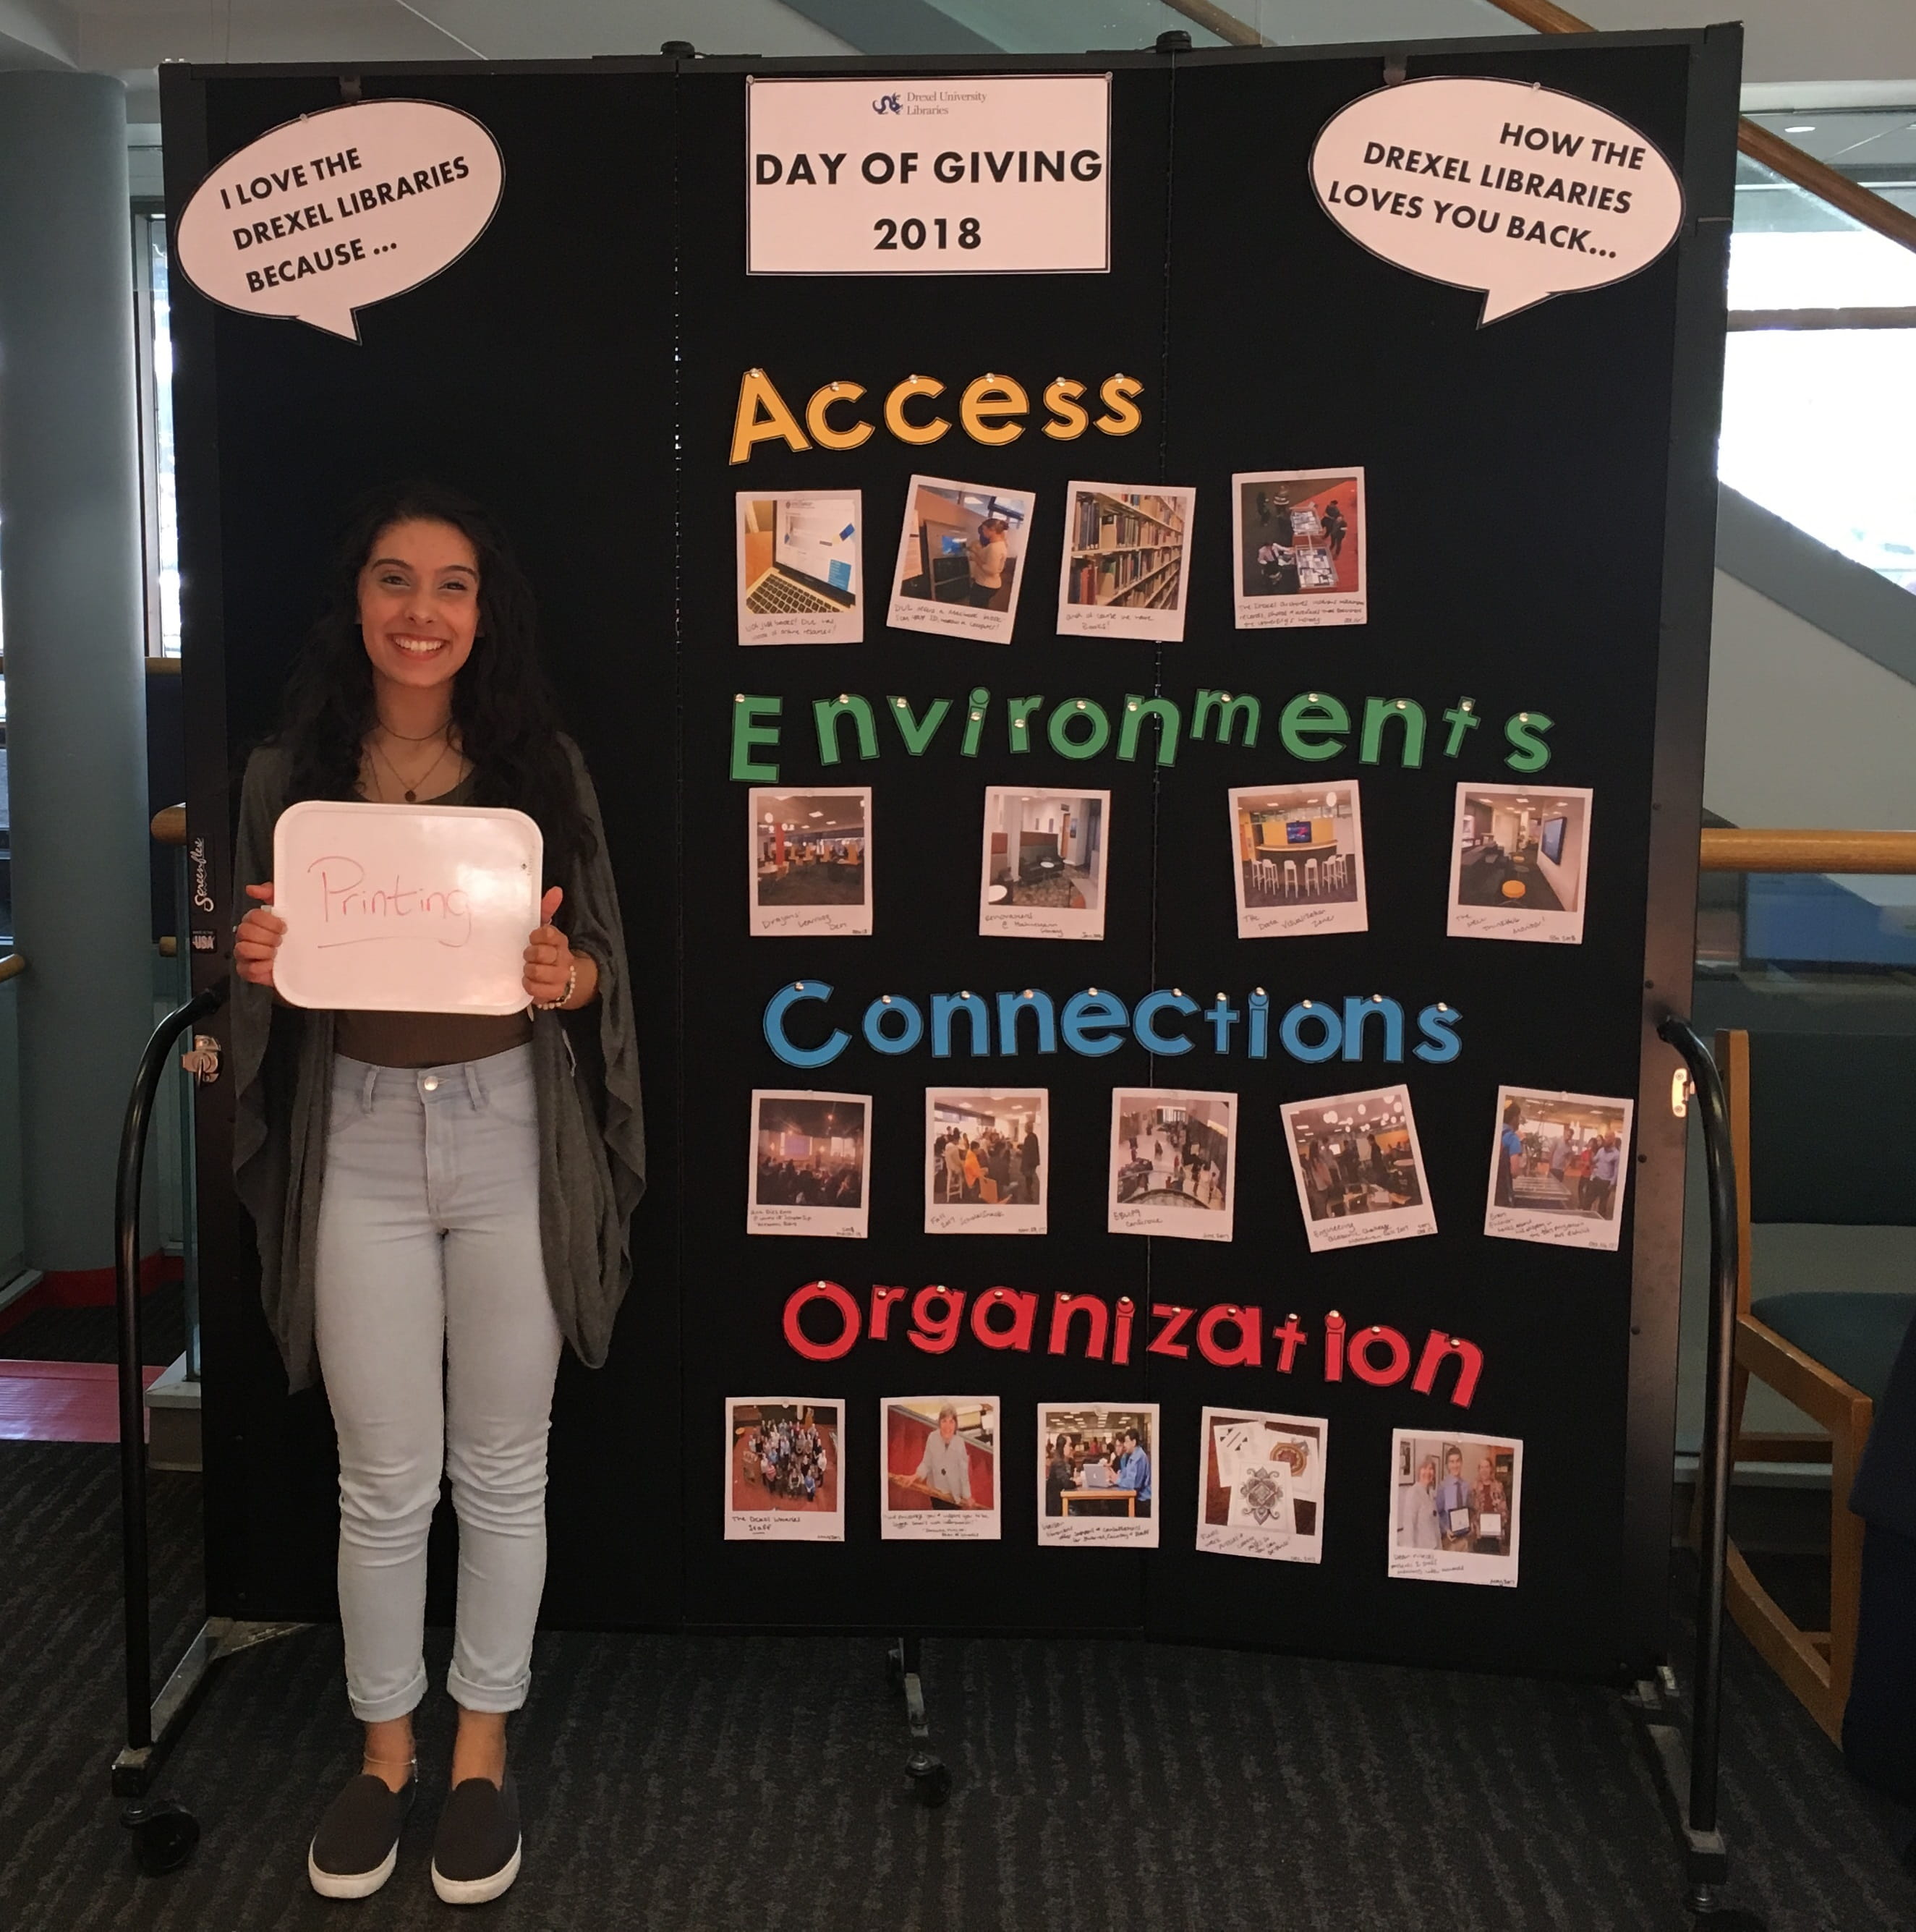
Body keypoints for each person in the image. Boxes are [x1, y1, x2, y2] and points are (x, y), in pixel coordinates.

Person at [230, 481, 644, 1906]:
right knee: (384, 1477)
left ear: (484, 611)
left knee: (504, 1465)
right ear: (355, 600)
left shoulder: (541, 774)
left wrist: (566, 976)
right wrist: (254, 962)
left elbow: (600, 968)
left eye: (451, 584)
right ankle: (382, 1750)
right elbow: (262, 987)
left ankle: (479, 1751)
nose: (421, 611)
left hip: (508, 1129)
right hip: (353, 1137)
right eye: (394, 580)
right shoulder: (288, 779)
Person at [914, 1403, 974, 1509]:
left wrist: (967, 1496)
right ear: (939, 1423)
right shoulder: (933, 1438)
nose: (948, 1426)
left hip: (954, 1496)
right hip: (936, 1493)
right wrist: (915, 1476)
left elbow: (963, 1473)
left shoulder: (959, 1443)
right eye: (944, 1421)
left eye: (951, 1422)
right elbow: (926, 1463)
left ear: (956, 1425)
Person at [1398, 1456, 1442, 1549]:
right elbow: (1409, 1527)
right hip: (1422, 1550)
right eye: (1424, 1468)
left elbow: (1435, 1525)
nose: (1428, 1472)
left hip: (1435, 1548)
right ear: (1418, 1471)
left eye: (1431, 1469)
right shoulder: (1413, 1492)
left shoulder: (1431, 1493)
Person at [965, 516, 1010, 608]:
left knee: (976, 607)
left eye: (984, 529)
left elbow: (991, 570)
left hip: (986, 585)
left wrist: (976, 560)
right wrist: (975, 553)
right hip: (989, 584)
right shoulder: (998, 544)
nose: (983, 532)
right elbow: (987, 559)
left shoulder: (994, 548)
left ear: (992, 530)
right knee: (982, 605)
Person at [1471, 1455, 1510, 1558]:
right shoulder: (1474, 1488)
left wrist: (1501, 1526)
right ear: (1479, 1470)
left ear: (1491, 1469)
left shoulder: (1499, 1486)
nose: (1484, 1470)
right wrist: (1475, 1525)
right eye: (1482, 1467)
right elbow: (1471, 1511)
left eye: (1487, 1467)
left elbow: (1504, 1510)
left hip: (1495, 1535)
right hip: (1479, 1535)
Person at [1435, 1447, 1473, 1549]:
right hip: (1449, 1540)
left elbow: (1470, 1509)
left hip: (1465, 1539)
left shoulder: (1466, 1486)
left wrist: (1471, 1523)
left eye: (1457, 1461)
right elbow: (1436, 1513)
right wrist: (1445, 1529)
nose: (1455, 1465)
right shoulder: (1443, 1486)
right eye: (1452, 1462)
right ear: (1447, 1465)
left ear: (1461, 1463)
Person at [1112, 1429, 1153, 1518]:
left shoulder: (1139, 1457)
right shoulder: (1133, 1456)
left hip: (1142, 1500)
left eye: (1127, 1442)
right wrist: (1117, 1477)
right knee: (1113, 1504)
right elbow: (1125, 1474)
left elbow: (1134, 1484)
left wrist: (1118, 1480)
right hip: (1137, 1498)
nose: (1124, 1445)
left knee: (1116, 1507)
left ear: (1134, 1442)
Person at [1494, 1102, 1524, 1210]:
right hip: (1502, 1190)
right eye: (1519, 1117)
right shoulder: (1512, 1138)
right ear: (1514, 1118)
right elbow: (1514, 1172)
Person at [1588, 1132, 1621, 1219]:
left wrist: (1612, 1184)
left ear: (1613, 1139)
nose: (1606, 1140)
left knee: (1602, 1205)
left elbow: (1616, 1170)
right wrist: (1591, 1153)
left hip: (1606, 1183)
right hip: (1597, 1179)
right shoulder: (1601, 1150)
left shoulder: (1617, 1154)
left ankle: (1601, 1222)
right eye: (1605, 1137)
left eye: (1608, 1138)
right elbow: (1594, 1161)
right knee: (1589, 1200)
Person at [1021, 1126, 1042, 1207]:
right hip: (1033, 1162)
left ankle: (1029, 1196)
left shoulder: (1029, 1138)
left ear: (1028, 1129)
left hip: (1029, 1163)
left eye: (1025, 1127)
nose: (1025, 1129)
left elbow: (1028, 1152)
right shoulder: (1034, 1136)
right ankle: (1030, 1193)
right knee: (1030, 1178)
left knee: (1028, 1179)